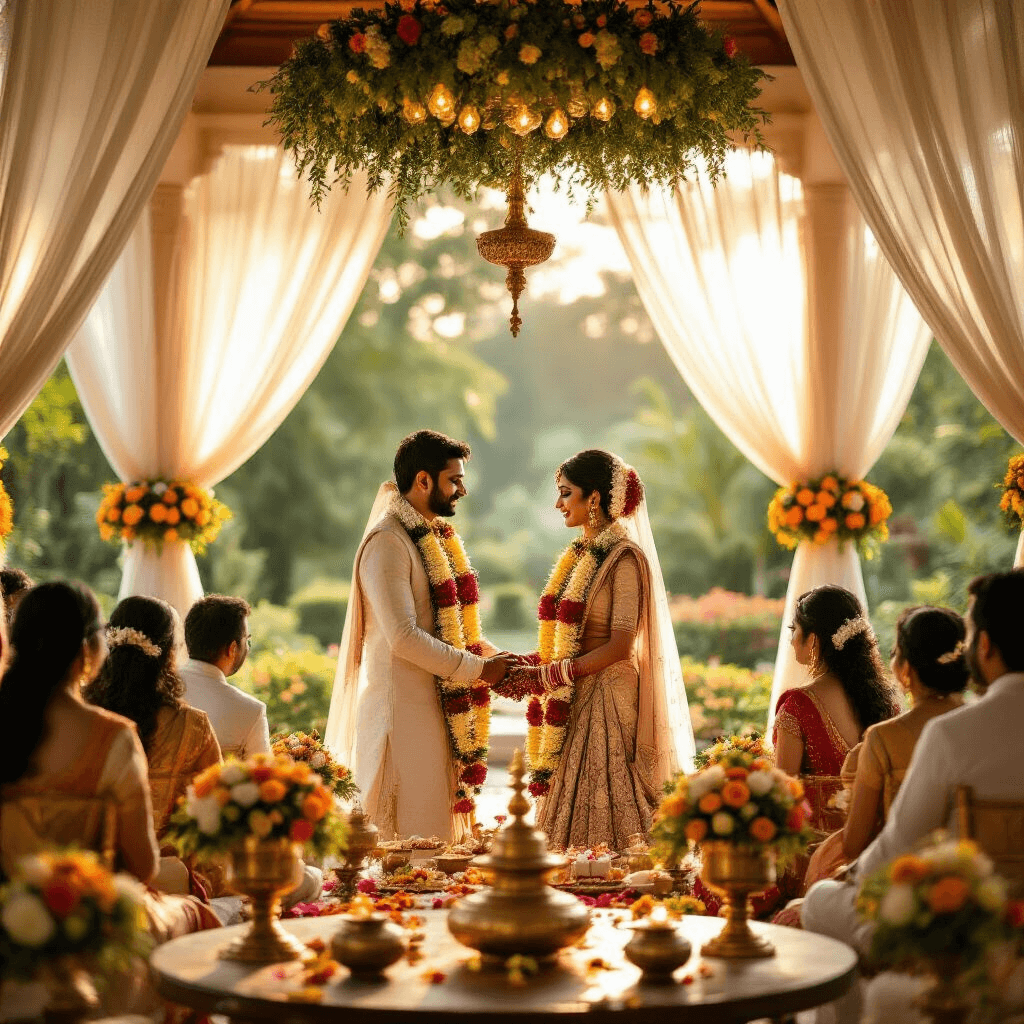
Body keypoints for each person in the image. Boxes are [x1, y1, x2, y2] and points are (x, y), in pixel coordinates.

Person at [802, 570, 1024, 1024]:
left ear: (984, 646)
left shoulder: (952, 735)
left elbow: (897, 848)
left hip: (966, 931)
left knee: (820, 901)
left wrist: (845, 877)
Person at [0, 582, 218, 1020]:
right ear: (87, 651)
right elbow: (143, 868)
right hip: (94, 929)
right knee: (197, 918)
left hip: (9, 926)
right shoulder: (112, 736)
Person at [502, 450, 695, 849]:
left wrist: (549, 675)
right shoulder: (577, 556)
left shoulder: (624, 559)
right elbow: (561, 637)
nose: (558, 504)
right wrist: (531, 665)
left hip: (607, 694)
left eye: (565, 493)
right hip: (576, 689)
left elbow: (620, 646)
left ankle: (616, 871)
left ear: (593, 498)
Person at [325, 429, 510, 842]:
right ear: (423, 480)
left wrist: (503, 661)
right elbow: (404, 637)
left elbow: (449, 627)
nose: (462, 489)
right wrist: (480, 669)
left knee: (437, 839)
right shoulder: (388, 542)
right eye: (454, 479)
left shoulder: (431, 538)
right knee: (406, 841)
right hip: (400, 711)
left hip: (434, 706)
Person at [84, 596, 221, 842]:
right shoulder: (193, 725)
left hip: (86, 865)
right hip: (168, 867)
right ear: (169, 653)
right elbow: (216, 806)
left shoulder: (79, 713)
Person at [774, 585, 900, 834]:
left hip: (813, 851)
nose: (791, 640)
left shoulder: (798, 706)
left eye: (793, 630)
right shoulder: (888, 703)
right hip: (875, 841)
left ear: (813, 639)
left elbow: (783, 797)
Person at [180, 594, 269, 758]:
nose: (247, 648)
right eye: (247, 641)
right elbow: (262, 776)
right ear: (233, 648)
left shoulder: (156, 686)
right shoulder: (250, 711)